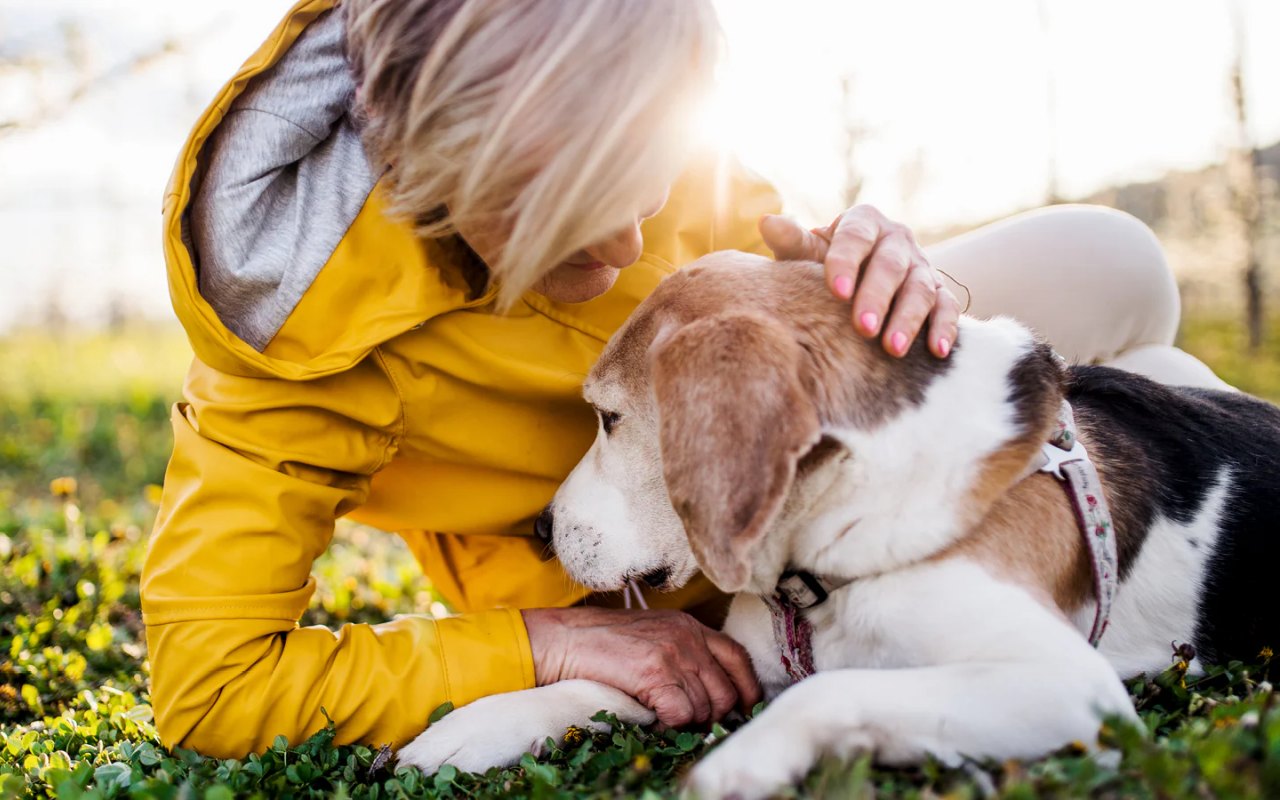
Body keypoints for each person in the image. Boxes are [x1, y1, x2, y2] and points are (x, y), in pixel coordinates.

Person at [141, 0, 1228, 759]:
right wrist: (546, 641)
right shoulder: (288, 330)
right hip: (621, 564)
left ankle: (1131, 508)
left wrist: (876, 273)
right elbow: (212, 682)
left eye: (642, 186)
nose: (627, 243)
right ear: (433, 166)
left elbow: (758, 283)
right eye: (568, 219)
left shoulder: (631, 96)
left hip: (795, 461)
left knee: (1119, 269)